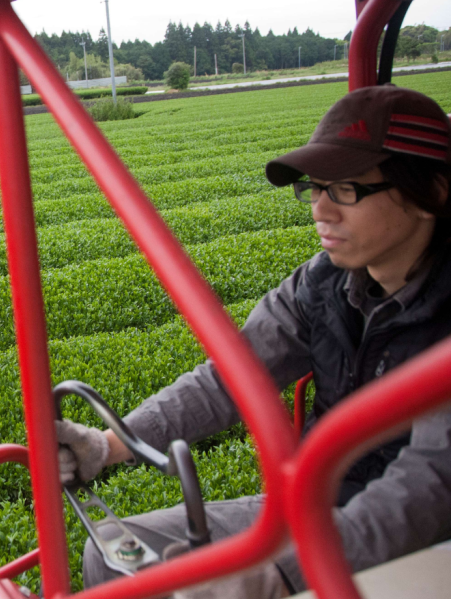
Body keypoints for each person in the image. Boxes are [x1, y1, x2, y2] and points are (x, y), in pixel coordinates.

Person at [56, 85, 451, 597]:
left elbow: (430, 485)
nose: (321, 210)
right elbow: (229, 380)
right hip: (320, 504)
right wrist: (109, 444)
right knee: (114, 550)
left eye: (347, 189)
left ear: (432, 194)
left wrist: (279, 574)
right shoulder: (321, 283)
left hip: (421, 538)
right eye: (315, 187)